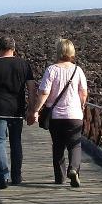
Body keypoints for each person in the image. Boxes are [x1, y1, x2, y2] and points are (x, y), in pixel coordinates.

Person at [30, 39, 89, 187]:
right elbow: (83, 92)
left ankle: (60, 177)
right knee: (75, 144)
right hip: (74, 114)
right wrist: (82, 105)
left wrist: (36, 110)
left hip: (56, 117)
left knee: (58, 146)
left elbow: (44, 92)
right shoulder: (78, 70)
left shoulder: (51, 70)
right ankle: (74, 169)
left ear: (58, 51)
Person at [0, 35, 31, 188]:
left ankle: (3, 176)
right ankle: (17, 176)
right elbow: (32, 87)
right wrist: (33, 108)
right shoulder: (24, 64)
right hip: (17, 110)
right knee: (16, 142)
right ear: (14, 48)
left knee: (0, 143)